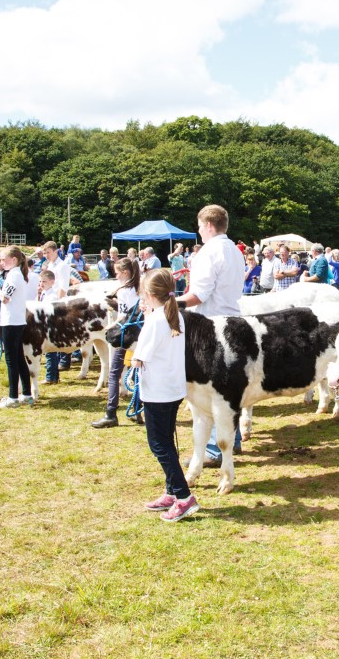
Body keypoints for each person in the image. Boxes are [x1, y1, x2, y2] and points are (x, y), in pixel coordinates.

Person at [175, 204, 244, 462]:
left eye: (199, 226)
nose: (199, 231)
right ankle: (233, 440)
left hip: (212, 327)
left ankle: (215, 449)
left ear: (208, 225)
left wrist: (170, 302)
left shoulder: (208, 252)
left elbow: (199, 295)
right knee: (231, 387)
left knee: (214, 391)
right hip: (234, 321)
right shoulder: (235, 250)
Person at [134, 268, 199, 522]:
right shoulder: (173, 315)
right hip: (172, 388)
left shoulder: (155, 320)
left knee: (159, 445)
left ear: (149, 294)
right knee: (166, 442)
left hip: (157, 391)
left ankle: (183, 496)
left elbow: (140, 357)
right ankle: (172, 492)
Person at [92, 258, 142, 428]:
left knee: (114, 373)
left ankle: (111, 413)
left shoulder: (123, 291)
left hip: (126, 335)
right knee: (139, 372)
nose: (116, 275)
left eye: (117, 273)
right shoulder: (141, 287)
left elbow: (123, 316)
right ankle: (137, 409)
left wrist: (110, 326)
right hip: (141, 335)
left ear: (125, 272)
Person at [0, 246, 34, 409]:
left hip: (11, 322)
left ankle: (13, 397)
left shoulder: (13, 275)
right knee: (19, 358)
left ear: (14, 259)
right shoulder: (16, 274)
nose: (1, 262)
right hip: (16, 320)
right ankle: (26, 394)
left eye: (4, 259)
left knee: (11, 360)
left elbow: (5, 298)